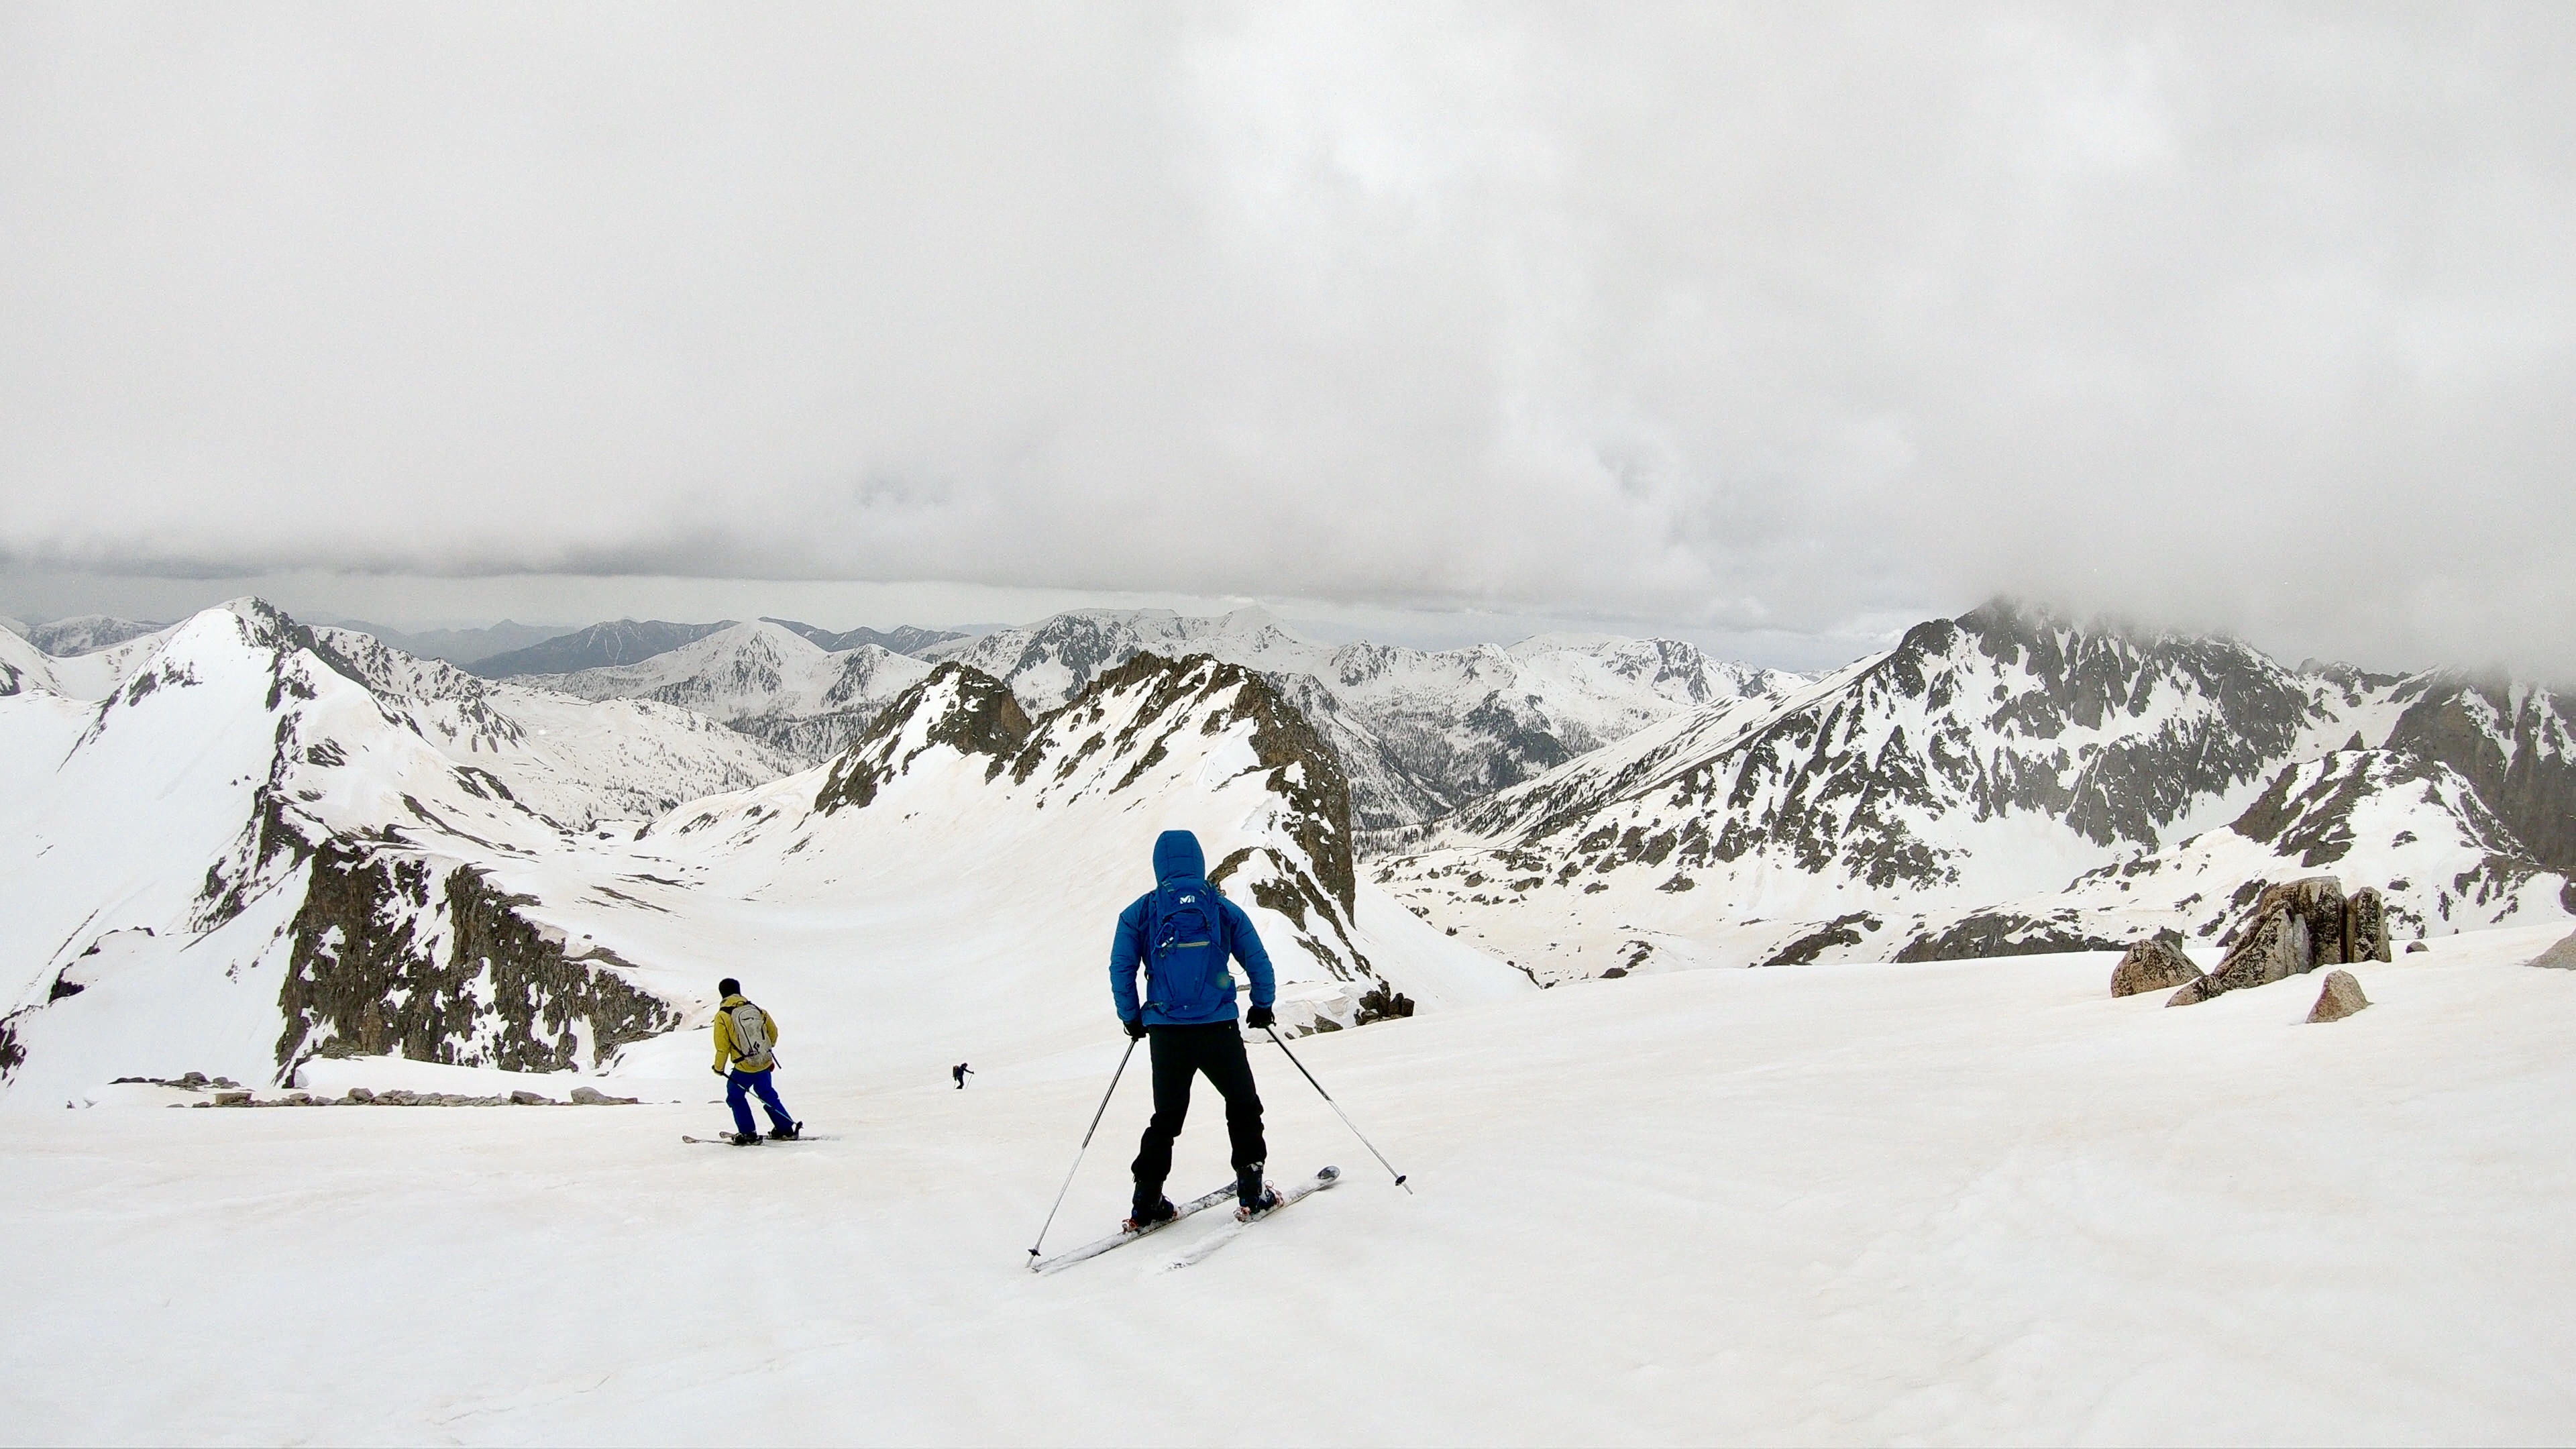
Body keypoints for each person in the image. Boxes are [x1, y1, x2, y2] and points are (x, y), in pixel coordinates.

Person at [1110, 830, 1279, 1229]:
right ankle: (1252, 1190)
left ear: (1159, 866)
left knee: (1166, 1118)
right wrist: (1262, 1006)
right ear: (1199, 861)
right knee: (1243, 1106)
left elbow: (1121, 969)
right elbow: (1258, 960)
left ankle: (1147, 1200)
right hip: (1218, 1028)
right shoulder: (1220, 908)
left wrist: (1132, 1017)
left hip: (1167, 1032)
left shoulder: (1140, 913)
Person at [711, 978, 798, 1144]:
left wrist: (719, 1068)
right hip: (763, 1063)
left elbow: (722, 1047)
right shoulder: (757, 1010)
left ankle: (748, 1134)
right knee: (767, 1094)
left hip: (744, 1066)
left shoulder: (723, 1016)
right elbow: (773, 1033)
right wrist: (763, 1052)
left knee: (735, 1096)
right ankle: (785, 1128)